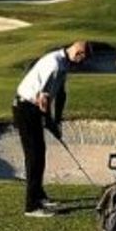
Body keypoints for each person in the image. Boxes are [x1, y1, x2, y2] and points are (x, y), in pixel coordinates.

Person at [13, 39, 91, 217]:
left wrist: (57, 120)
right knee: (34, 156)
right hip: (25, 107)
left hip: (32, 108)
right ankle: (32, 207)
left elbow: (61, 94)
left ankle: (39, 195)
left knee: (39, 152)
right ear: (78, 53)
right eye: (83, 60)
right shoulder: (55, 64)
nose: (81, 65)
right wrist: (48, 120)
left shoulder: (63, 62)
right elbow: (44, 99)